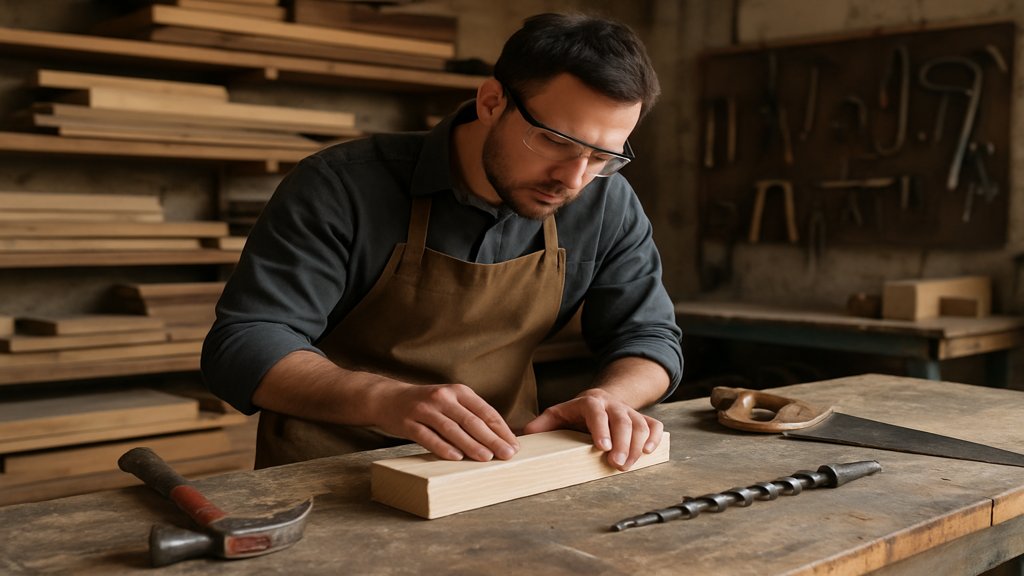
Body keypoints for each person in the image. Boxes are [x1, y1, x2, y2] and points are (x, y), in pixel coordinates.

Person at [202, 12, 683, 472]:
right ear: (492, 101)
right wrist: (382, 399)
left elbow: (649, 336)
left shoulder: (606, 201)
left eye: (602, 156)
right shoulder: (340, 186)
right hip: (329, 472)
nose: (574, 179)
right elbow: (245, 342)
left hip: (496, 469)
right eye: (556, 141)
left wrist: (609, 400)